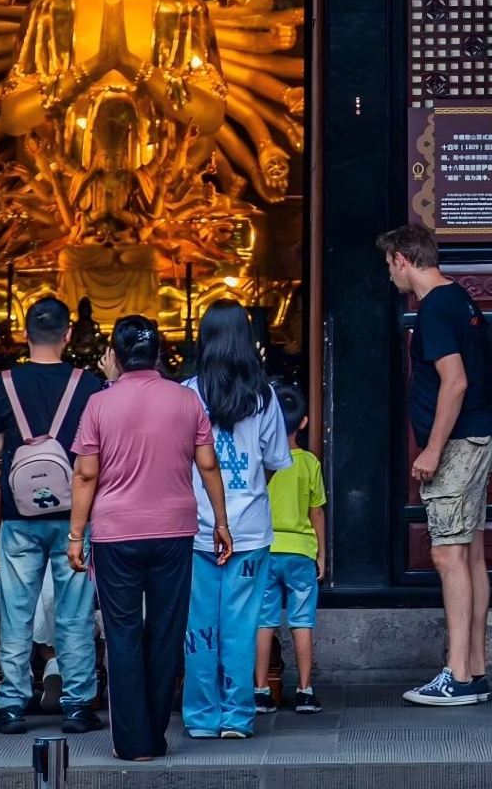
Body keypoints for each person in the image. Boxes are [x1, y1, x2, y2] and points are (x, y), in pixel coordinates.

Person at [67, 317, 233, 762]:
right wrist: (221, 522)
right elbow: (209, 466)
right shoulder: (186, 400)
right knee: (165, 631)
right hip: (175, 530)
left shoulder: (100, 404)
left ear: (115, 356)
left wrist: (76, 534)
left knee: (122, 633)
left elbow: (85, 473)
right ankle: (156, 735)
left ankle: (132, 741)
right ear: (159, 353)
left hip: (116, 533)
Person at [380, 223, 492, 708]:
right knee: (470, 554)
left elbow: (454, 382)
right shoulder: (460, 298)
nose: (390, 276)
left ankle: (457, 675)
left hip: (458, 444)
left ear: (404, 260)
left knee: (447, 554)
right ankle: (473, 669)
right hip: (480, 436)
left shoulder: (431, 309)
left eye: (390, 265)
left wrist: (431, 448)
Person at [0, 297, 104, 735]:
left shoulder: (4, 382)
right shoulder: (88, 384)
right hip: (75, 514)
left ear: (24, 333)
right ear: (69, 335)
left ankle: (11, 704)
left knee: (17, 610)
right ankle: (77, 705)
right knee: (75, 613)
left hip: (19, 515)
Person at [181, 301, 290, 739]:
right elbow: (275, 459)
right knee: (242, 625)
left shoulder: (188, 392)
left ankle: (202, 717)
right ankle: (238, 717)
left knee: (199, 627)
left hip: (197, 527)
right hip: (249, 527)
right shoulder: (263, 397)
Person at [255, 382, 326, 714]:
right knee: (302, 622)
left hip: (265, 549)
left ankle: (260, 691)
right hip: (300, 551)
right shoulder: (309, 462)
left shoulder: (260, 461)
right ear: (304, 422)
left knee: (264, 621)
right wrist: (321, 553)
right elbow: (316, 511)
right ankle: (306, 691)